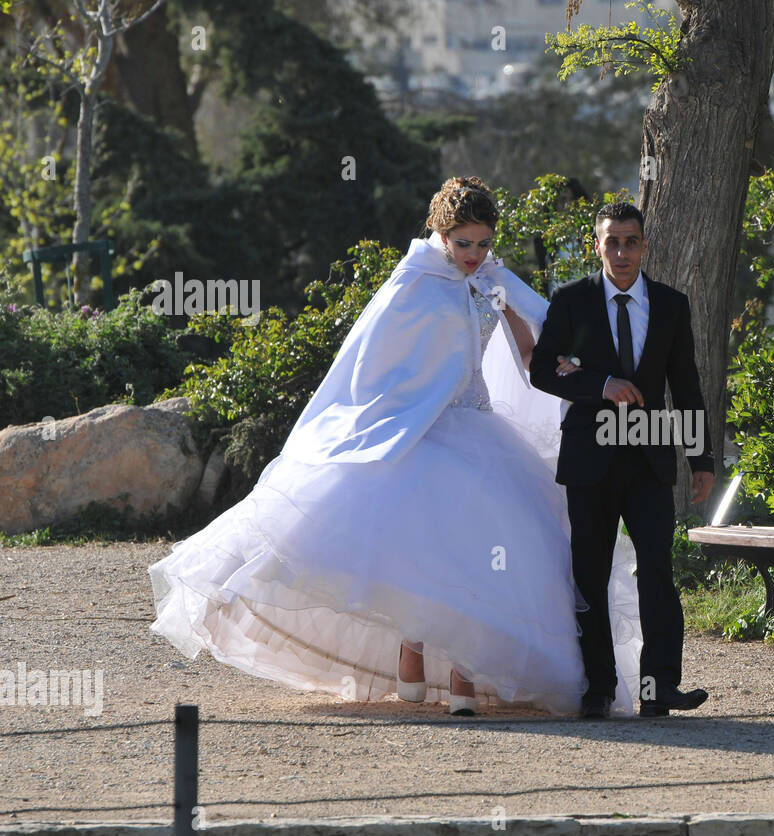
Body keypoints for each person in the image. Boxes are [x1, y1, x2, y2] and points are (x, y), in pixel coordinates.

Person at [147, 177, 645, 716]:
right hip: (416, 427)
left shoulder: (494, 282)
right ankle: (412, 650)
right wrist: (393, 415)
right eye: (464, 244)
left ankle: (464, 673)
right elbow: (372, 360)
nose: (475, 256)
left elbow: (528, 355)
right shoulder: (413, 282)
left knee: (486, 547)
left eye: (483, 243)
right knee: (422, 544)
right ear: (440, 233)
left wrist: (577, 371)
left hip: (478, 427)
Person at [530, 201, 716, 718]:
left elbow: (687, 384)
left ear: (644, 246)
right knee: (589, 575)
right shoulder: (572, 301)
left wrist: (702, 459)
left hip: (650, 458)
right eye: (612, 241)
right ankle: (599, 688)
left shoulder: (672, 304)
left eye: (631, 241)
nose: (622, 251)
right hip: (590, 459)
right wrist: (601, 385)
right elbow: (542, 370)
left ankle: (659, 687)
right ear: (598, 245)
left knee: (657, 570)